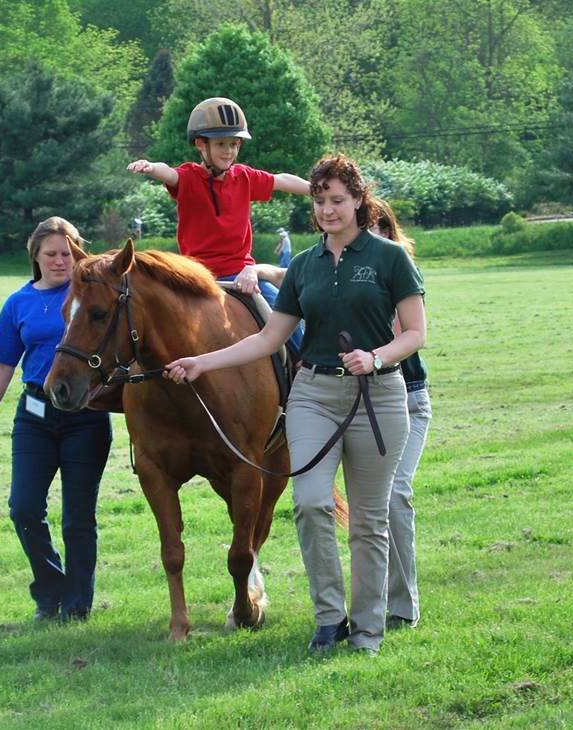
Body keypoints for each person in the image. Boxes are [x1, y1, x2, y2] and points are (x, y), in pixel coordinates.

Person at [165, 154, 426, 655]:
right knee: (310, 503)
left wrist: (375, 357)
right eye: (320, 201)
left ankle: (368, 628)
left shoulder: (390, 259)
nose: (328, 211)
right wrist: (203, 362)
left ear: (357, 201)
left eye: (338, 201)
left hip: (379, 396)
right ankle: (330, 619)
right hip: (313, 396)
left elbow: (416, 332)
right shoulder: (303, 265)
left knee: (369, 521)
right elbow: (268, 339)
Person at [0, 216, 112, 623]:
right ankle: (50, 592)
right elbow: (2, 365)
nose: (60, 261)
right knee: (24, 507)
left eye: (67, 253)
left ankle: (78, 603)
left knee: (77, 517)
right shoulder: (19, 302)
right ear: (35, 256)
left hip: (85, 415)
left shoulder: (88, 295)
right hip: (34, 414)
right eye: (51, 253)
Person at [126, 97, 309, 345]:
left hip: (242, 277)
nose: (229, 151)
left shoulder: (244, 177)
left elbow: (282, 180)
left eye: (234, 144)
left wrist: (318, 190)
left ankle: (302, 369)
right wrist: (150, 167)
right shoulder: (189, 177)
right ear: (201, 145)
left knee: (285, 315)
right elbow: (168, 173)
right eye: (221, 144)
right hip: (196, 278)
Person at [371, 198, 431, 631]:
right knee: (368, 506)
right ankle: (366, 603)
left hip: (407, 398)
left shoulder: (400, 274)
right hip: (357, 403)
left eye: (378, 230)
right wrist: (256, 270)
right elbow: (287, 276)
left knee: (394, 496)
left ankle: (403, 606)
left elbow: (405, 335)